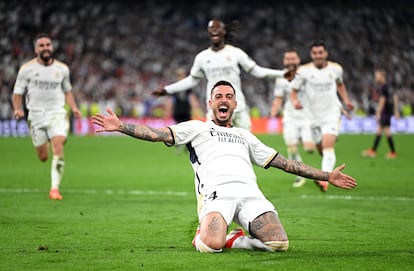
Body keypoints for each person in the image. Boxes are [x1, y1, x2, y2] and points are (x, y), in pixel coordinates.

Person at [92, 80, 357, 253]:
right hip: (217, 194)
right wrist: (122, 127)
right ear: (210, 103)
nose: (224, 99)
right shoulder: (196, 128)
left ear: (234, 104)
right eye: (218, 96)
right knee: (210, 246)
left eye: (229, 96)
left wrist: (327, 175)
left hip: (251, 194)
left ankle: (235, 238)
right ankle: (211, 233)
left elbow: (286, 164)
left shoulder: (245, 135)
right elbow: (157, 133)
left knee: (279, 244)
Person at [152, 19, 287, 131]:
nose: (214, 29)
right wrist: (167, 90)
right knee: (215, 146)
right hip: (215, 109)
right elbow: (191, 81)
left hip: (237, 106)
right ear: (209, 32)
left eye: (218, 27)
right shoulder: (202, 57)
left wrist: (283, 74)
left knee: (247, 144)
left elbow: (257, 71)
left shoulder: (235, 53)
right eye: (211, 27)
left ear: (224, 32)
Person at [12, 33, 82, 200]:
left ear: (52, 47)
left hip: (57, 112)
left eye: (48, 45)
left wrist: (74, 107)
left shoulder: (62, 69)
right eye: (41, 45)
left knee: (58, 146)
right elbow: (17, 92)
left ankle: (54, 189)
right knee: (43, 157)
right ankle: (49, 140)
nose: (45, 48)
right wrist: (17, 109)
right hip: (35, 115)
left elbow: (67, 90)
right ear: (36, 49)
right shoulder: (26, 69)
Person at [290, 40, 354, 192]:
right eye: (315, 53)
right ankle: (327, 168)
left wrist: (346, 101)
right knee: (321, 147)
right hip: (313, 116)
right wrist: (295, 101)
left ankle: (324, 180)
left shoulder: (336, 69)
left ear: (326, 53)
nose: (318, 56)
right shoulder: (303, 71)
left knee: (327, 145)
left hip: (332, 113)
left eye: (320, 52)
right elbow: (294, 90)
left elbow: (340, 84)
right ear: (312, 55)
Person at [271, 49, 315, 188]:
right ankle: (300, 176)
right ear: (284, 61)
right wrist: (274, 110)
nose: (290, 61)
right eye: (288, 59)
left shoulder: (307, 74)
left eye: (293, 58)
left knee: (309, 149)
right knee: (292, 149)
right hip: (290, 117)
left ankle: (304, 139)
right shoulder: (281, 78)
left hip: (307, 116)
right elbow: (278, 98)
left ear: (298, 60)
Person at [362, 69, 399, 159]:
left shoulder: (383, 87)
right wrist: (396, 110)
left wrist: (378, 112)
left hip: (385, 112)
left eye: (377, 76)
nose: (376, 77)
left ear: (382, 76)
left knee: (386, 130)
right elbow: (395, 97)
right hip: (388, 111)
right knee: (379, 130)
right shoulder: (389, 86)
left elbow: (383, 100)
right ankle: (373, 150)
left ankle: (393, 152)